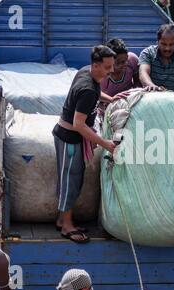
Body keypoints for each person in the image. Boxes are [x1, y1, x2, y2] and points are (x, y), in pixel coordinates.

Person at [52, 46, 117, 243]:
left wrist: (112, 99)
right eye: (107, 67)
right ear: (96, 65)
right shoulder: (87, 89)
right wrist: (105, 143)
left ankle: (62, 219)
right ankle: (67, 226)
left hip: (70, 137)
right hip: (70, 139)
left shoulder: (86, 73)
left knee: (73, 178)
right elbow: (78, 124)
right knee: (70, 181)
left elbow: (96, 94)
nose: (111, 71)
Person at [139, 24, 174, 99]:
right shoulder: (148, 53)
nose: (167, 48)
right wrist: (150, 85)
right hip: (153, 97)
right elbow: (143, 72)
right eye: (163, 44)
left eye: (171, 44)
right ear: (158, 41)